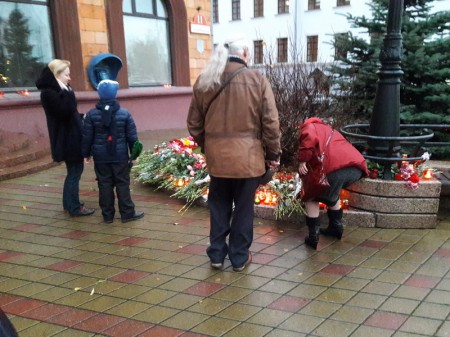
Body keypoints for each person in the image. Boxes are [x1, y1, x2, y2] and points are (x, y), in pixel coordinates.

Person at [187, 35, 281, 272]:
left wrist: (208, 145)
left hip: (218, 160)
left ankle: (217, 255)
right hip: (248, 160)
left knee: (218, 206)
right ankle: (239, 258)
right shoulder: (257, 79)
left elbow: (194, 123)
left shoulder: (205, 79)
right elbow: (270, 123)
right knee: (243, 208)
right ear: (245, 54)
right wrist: (273, 154)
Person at [297, 117, 368, 249]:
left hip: (335, 168)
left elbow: (309, 139)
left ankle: (313, 236)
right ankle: (336, 227)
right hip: (355, 168)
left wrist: (302, 160)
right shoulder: (329, 129)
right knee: (331, 191)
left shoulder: (310, 126)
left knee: (311, 196)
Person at [36, 59, 95, 216]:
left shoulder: (59, 91)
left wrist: (82, 116)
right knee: (75, 172)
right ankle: (74, 208)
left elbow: (70, 114)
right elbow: (65, 112)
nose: (69, 78)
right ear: (57, 75)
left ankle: (68, 204)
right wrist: (67, 93)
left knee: (73, 172)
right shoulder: (50, 93)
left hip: (70, 137)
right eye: (66, 74)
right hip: (67, 139)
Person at [81, 79, 144, 224]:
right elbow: (132, 137)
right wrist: (134, 155)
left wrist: (86, 154)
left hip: (100, 157)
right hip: (120, 156)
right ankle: (127, 213)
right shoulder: (124, 114)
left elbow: (87, 137)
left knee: (104, 184)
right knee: (122, 183)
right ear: (115, 94)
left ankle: (107, 215)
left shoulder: (91, 115)